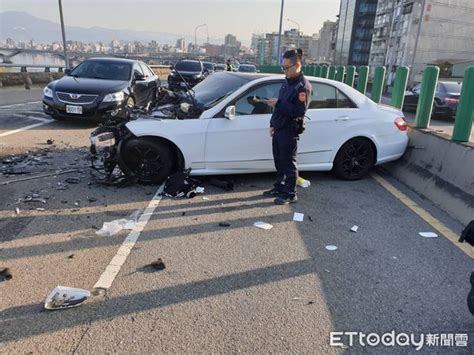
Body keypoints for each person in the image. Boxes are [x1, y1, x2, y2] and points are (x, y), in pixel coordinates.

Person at [264, 48, 312, 205]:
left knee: (288, 163)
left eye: (286, 67)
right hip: (279, 128)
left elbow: (298, 111)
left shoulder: (302, 87)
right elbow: (280, 107)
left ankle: (290, 193)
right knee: (279, 161)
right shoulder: (287, 82)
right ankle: (280, 187)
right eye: (283, 67)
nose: (284, 71)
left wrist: (278, 103)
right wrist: (273, 124)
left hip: (290, 130)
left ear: (297, 65)